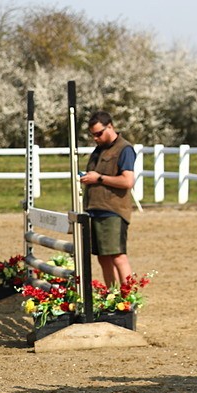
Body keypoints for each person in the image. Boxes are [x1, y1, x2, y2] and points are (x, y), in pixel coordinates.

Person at [79, 111, 136, 288]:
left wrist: (99, 178)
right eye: (93, 135)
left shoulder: (124, 149)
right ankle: (111, 296)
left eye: (98, 133)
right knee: (103, 258)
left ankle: (129, 298)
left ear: (110, 126)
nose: (95, 138)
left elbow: (127, 181)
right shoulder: (99, 150)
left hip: (113, 211)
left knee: (118, 255)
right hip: (94, 209)